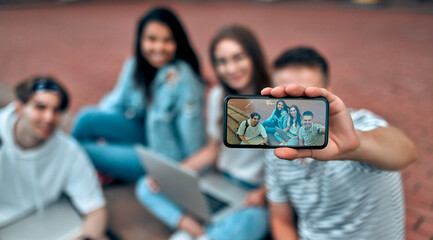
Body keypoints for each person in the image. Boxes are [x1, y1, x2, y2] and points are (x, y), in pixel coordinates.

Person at [263, 47, 417, 240]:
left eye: (305, 97)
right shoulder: (275, 149)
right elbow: (281, 220)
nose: (296, 108)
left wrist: (356, 145)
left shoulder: (360, 124)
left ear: (328, 92)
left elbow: (405, 152)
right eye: (286, 98)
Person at [136, 25, 271, 240]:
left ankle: (197, 234)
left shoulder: (275, 102)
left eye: (238, 58)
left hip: (255, 194)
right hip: (222, 181)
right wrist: (173, 174)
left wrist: (263, 192)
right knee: (147, 186)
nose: (231, 68)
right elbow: (212, 150)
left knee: (251, 221)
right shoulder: (218, 96)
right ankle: (199, 232)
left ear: (254, 57)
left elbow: (287, 166)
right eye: (222, 62)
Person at [72, 7, 206, 182]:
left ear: (178, 42)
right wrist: (109, 137)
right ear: (140, 40)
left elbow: (191, 135)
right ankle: (68, 167)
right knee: (87, 117)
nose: (159, 47)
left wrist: (189, 173)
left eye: (168, 40)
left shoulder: (183, 79)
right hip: (144, 134)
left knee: (83, 150)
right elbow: (116, 103)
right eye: (151, 39)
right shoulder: (135, 66)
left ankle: (63, 170)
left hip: (163, 157)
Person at [0, 76, 107, 240]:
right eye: (40, 107)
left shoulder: (68, 150)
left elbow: (95, 209)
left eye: (56, 110)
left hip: (48, 225)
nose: (49, 118)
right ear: (19, 108)